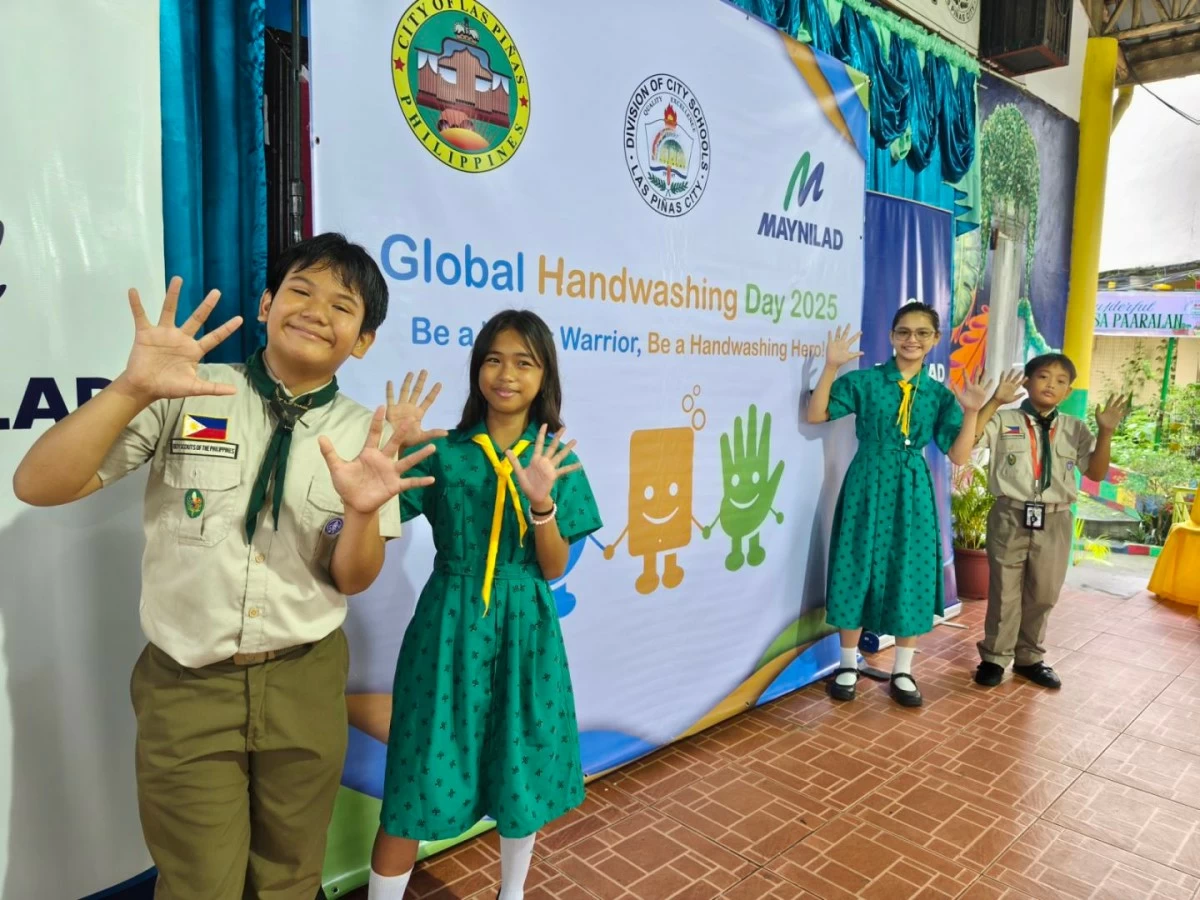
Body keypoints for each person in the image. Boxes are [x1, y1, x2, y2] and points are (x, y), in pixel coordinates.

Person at [11, 233, 438, 900]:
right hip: (188, 684)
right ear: (267, 304)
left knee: (290, 878)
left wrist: (361, 511)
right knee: (197, 885)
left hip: (305, 680)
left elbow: (353, 579)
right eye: (300, 289)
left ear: (363, 342)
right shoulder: (189, 391)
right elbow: (38, 484)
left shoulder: (367, 435)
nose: (317, 309)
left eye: (343, 305)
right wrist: (132, 388)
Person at [368, 310, 603, 900]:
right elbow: (376, 518)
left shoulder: (556, 459)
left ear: (544, 374)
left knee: (517, 763)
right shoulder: (443, 452)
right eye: (495, 359)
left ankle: (512, 894)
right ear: (478, 369)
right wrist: (393, 448)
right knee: (417, 773)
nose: (507, 374)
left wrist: (542, 503)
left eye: (525, 362)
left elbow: (552, 568)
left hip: (526, 623)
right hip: (448, 621)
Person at [807, 302, 992, 707]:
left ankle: (903, 670)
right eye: (904, 332)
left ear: (935, 340)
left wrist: (973, 410)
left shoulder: (939, 396)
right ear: (891, 337)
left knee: (909, 570)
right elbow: (817, 412)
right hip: (866, 482)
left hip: (913, 488)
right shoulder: (866, 382)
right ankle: (847, 665)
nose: (912, 340)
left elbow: (959, 456)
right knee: (855, 564)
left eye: (922, 333)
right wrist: (831, 367)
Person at [972, 353, 1126, 688]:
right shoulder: (1004, 419)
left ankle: (1029, 658)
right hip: (1010, 513)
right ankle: (995, 658)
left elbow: (1096, 474)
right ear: (1026, 381)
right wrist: (993, 402)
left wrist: (1106, 432)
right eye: (1043, 376)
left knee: (1044, 592)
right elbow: (970, 440)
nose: (1051, 385)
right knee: (1004, 592)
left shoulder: (1076, 429)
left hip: (1055, 519)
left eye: (1060, 381)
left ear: (1068, 391)